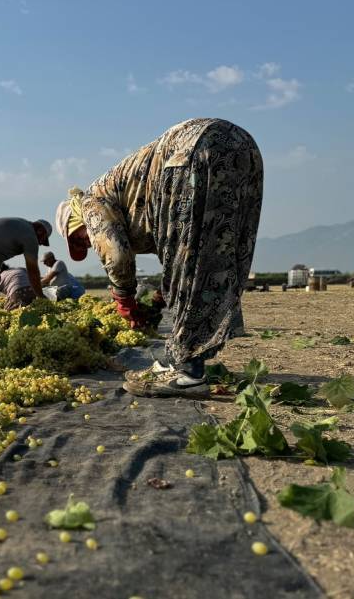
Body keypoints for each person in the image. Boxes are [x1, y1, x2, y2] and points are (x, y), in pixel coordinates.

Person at [56, 118, 263, 398]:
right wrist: (165, 294)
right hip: (242, 148)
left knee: (204, 257)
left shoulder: (91, 201)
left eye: (81, 237)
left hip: (191, 151)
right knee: (219, 249)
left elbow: (115, 256)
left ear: (77, 219)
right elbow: (184, 250)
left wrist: (124, 299)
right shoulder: (130, 198)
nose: (88, 242)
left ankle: (187, 372)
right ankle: (193, 363)